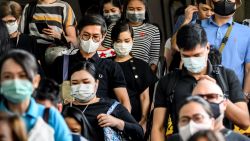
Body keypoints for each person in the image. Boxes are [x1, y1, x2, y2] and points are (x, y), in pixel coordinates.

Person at [150, 24, 249, 140]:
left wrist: (218, 96)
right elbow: (158, 128)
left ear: (207, 48)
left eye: (197, 55)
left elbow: (244, 122)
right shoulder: (168, 82)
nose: (192, 60)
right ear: (180, 53)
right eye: (186, 56)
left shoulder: (226, 76)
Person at [50, 14, 131, 112]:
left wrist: (121, 123)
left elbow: (124, 102)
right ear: (79, 33)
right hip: (70, 120)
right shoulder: (62, 62)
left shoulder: (111, 66)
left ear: (103, 36)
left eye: (95, 36)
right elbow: (49, 97)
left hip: (102, 122)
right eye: (86, 35)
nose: (90, 40)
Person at [0, 49, 72, 141]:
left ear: (35, 81)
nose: (15, 82)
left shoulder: (50, 116)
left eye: (22, 76)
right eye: (7, 76)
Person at [63, 61, 144, 141]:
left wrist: (117, 123)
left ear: (96, 83)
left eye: (86, 82)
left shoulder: (111, 106)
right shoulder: (65, 109)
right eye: (75, 83)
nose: (80, 87)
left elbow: (139, 132)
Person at [111, 21, 158, 132]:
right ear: (112, 42)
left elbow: (145, 97)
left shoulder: (141, 65)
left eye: (127, 41)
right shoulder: (106, 65)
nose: (123, 44)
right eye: (118, 41)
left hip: (137, 119)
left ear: (132, 40)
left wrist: (144, 120)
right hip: (111, 118)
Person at [200, 0, 250, 98]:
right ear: (211, 2)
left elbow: (248, 69)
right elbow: (176, 47)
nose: (225, 1)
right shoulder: (197, 25)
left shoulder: (246, 32)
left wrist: (244, 96)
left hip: (234, 96)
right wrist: (187, 20)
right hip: (203, 94)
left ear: (236, 1)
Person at [19, 0, 77, 75]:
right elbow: (20, 35)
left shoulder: (64, 7)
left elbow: (74, 40)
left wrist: (59, 36)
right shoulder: (29, 7)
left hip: (56, 54)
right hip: (33, 54)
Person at [103, 0, 161, 73]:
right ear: (125, 10)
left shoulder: (153, 30)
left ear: (145, 9)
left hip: (142, 72)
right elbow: (105, 52)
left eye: (139, 9)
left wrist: (148, 74)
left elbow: (154, 58)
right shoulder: (114, 27)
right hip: (117, 72)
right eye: (131, 9)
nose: (135, 12)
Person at [167, 0, 214, 72]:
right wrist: (186, 20)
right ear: (196, 5)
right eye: (205, 9)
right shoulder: (184, 19)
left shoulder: (216, 20)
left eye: (212, 10)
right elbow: (174, 45)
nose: (209, 14)